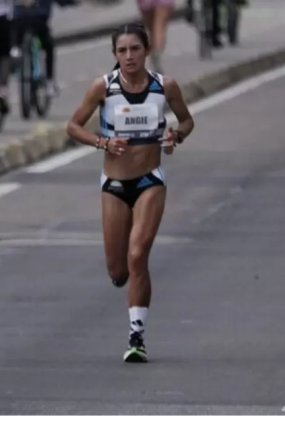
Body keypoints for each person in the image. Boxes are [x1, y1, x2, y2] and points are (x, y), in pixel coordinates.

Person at [65, 23, 195, 363]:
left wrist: (174, 137)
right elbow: (73, 125)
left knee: (138, 256)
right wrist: (103, 142)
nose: (128, 56)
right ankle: (126, 289)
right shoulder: (103, 88)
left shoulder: (164, 86)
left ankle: (136, 336)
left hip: (150, 180)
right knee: (118, 271)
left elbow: (186, 122)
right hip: (114, 184)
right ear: (114, 55)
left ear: (146, 50)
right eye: (121, 51)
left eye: (134, 49)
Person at [12, 0, 78, 97]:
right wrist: (73, 1)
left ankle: (15, 53)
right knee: (48, 46)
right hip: (39, 22)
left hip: (18, 21)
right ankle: (49, 81)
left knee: (14, 42)